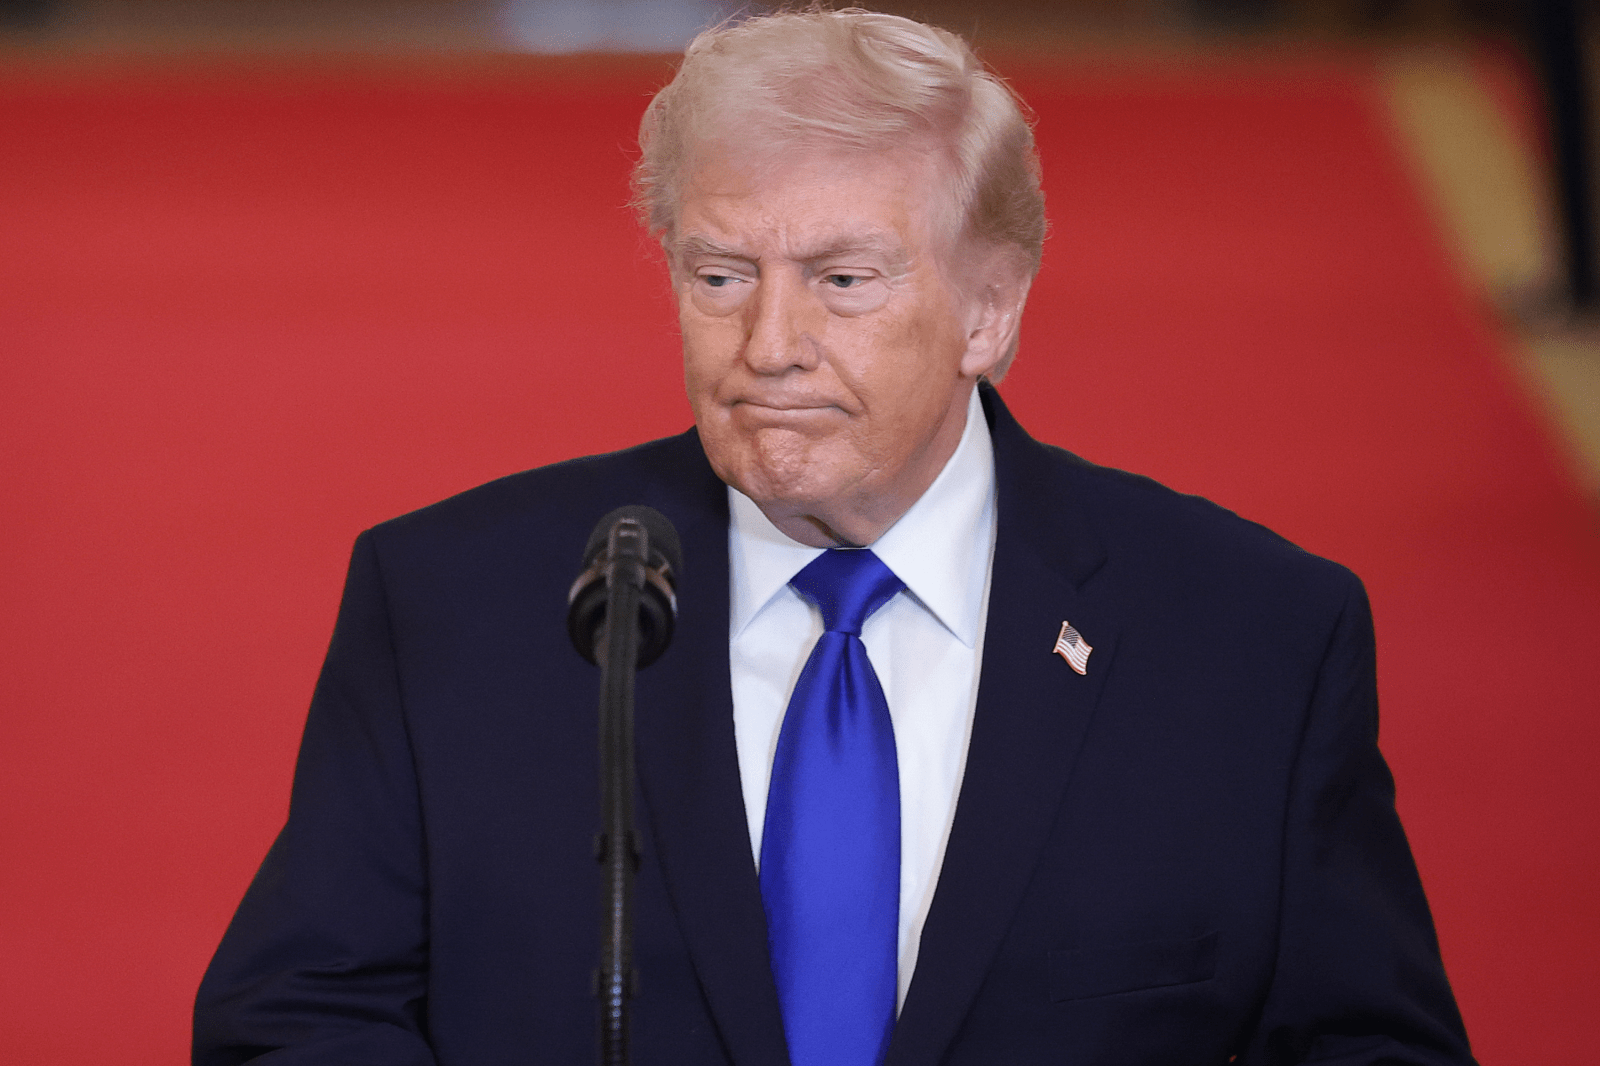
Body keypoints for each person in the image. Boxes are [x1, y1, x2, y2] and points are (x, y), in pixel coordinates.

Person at [193, 9, 1477, 1066]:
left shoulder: (1249, 641)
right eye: (720, 273)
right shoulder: (453, 606)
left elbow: (1365, 1045)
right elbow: (297, 1020)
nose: (768, 344)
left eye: (844, 279)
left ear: (989, 311)